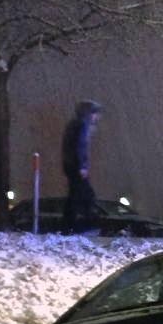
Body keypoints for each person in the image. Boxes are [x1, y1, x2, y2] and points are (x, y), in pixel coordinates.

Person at [60, 100, 102, 234]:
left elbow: (70, 146)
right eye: (95, 114)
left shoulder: (74, 124)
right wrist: (82, 166)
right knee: (87, 196)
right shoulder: (82, 125)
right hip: (76, 166)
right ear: (89, 114)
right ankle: (87, 226)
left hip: (70, 164)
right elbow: (80, 146)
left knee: (74, 196)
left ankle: (68, 227)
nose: (97, 117)